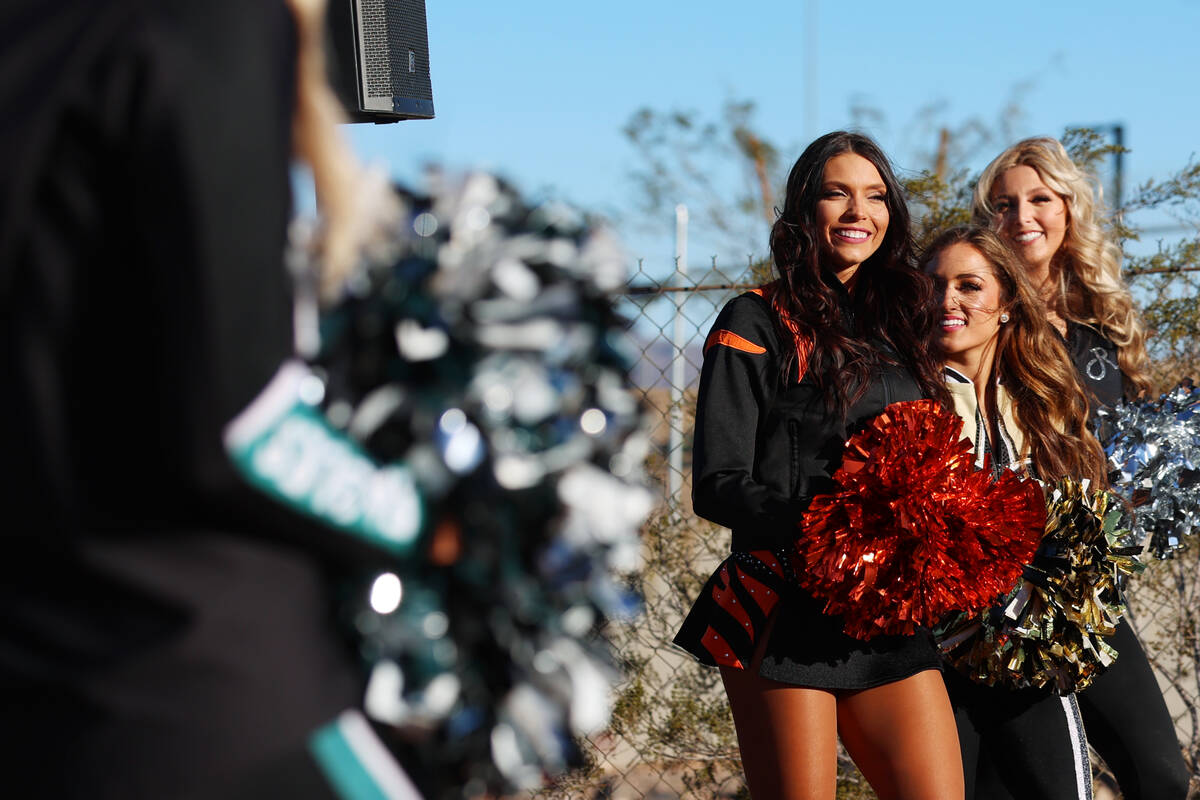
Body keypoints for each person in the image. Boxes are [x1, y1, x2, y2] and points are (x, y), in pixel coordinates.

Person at [0, 1, 398, 797]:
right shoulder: (211, 21)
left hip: (37, 701)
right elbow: (244, 424)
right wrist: (436, 516)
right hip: (207, 696)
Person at [673, 131, 963, 800]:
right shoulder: (757, 318)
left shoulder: (906, 320)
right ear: (805, 210)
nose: (859, 211)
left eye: (876, 196)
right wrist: (832, 528)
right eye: (837, 193)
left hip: (886, 611)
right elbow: (718, 483)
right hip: (784, 606)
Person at [973, 137, 1190, 800]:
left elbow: (1126, 457)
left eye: (1040, 198)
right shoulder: (980, 318)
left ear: (1069, 209)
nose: (1022, 216)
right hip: (1007, 595)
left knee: (1159, 774)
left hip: (1086, 594)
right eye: (1004, 204)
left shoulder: (1099, 324)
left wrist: (1161, 484)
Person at [922, 225, 1107, 800]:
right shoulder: (902, 394)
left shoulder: (1039, 396)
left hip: (1030, 648)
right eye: (933, 285)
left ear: (1005, 304)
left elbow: (1082, 515)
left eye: (968, 285)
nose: (946, 300)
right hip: (936, 656)